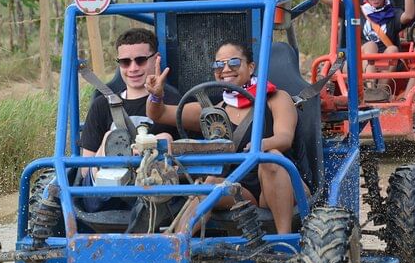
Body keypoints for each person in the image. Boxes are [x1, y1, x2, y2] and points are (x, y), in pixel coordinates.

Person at [145, 40, 308, 235]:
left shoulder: (275, 98)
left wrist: (260, 145)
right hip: (242, 190)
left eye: (234, 62)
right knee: (210, 184)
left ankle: (284, 240)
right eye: (218, 65)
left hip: (279, 182)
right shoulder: (214, 111)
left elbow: (284, 138)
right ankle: (177, 243)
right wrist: (156, 96)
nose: (226, 69)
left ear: (251, 67)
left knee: (270, 157)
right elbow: (159, 114)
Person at [79, 28, 180, 211]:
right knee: (110, 136)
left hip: (156, 195)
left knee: (164, 139)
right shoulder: (102, 105)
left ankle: (147, 193)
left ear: (156, 59)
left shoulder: (173, 103)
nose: (133, 68)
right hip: (104, 196)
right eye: (125, 62)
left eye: (140, 60)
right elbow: (85, 168)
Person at [321, 0, 415, 102]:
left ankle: (379, 94)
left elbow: (409, 15)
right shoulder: (355, 10)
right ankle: (369, 89)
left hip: (384, 64)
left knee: (393, 49)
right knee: (371, 46)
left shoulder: (392, 13)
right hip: (357, 62)